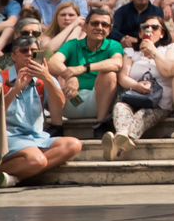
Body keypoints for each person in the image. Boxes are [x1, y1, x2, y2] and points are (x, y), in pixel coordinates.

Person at [0, 19, 83, 186]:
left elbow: (59, 107)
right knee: (37, 159)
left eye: (34, 51)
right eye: (24, 51)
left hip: (34, 138)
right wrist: (15, 89)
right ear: (14, 55)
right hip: (5, 138)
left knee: (73, 145)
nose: (30, 54)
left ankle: (17, 176)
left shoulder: (44, 78)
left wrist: (48, 78)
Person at [104, 15, 174, 160]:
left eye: (155, 27)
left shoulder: (170, 49)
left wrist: (153, 52)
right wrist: (136, 85)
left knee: (141, 115)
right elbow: (123, 77)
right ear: (139, 33)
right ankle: (122, 139)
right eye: (145, 27)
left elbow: (168, 71)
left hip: (159, 103)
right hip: (134, 98)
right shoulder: (132, 53)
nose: (149, 30)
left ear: (162, 33)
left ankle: (116, 146)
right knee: (119, 107)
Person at [47, 7, 124, 141]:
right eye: (94, 23)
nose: (99, 27)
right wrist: (70, 76)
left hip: (100, 102)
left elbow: (117, 63)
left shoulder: (114, 45)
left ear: (110, 29)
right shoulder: (73, 45)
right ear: (85, 27)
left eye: (104, 24)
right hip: (74, 99)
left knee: (110, 74)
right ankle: (57, 126)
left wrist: (82, 69)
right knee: (50, 77)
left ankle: (100, 124)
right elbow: (52, 62)